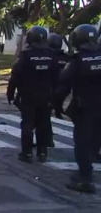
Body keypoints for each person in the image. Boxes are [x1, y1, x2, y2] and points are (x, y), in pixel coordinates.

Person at [55, 24, 101, 194]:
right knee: (95, 138)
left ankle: (86, 180)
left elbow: (63, 84)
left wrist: (57, 105)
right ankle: (89, 166)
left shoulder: (77, 61)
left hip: (85, 108)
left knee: (81, 142)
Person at [7, 26, 59, 163]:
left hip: (28, 96)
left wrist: (10, 93)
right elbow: (57, 77)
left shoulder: (26, 55)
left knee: (28, 124)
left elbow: (15, 76)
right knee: (43, 124)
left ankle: (27, 153)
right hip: (46, 95)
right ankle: (42, 152)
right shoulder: (52, 54)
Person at [47, 33, 70, 119]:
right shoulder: (65, 57)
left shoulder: (47, 56)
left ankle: (53, 107)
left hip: (51, 85)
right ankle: (57, 109)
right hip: (63, 87)